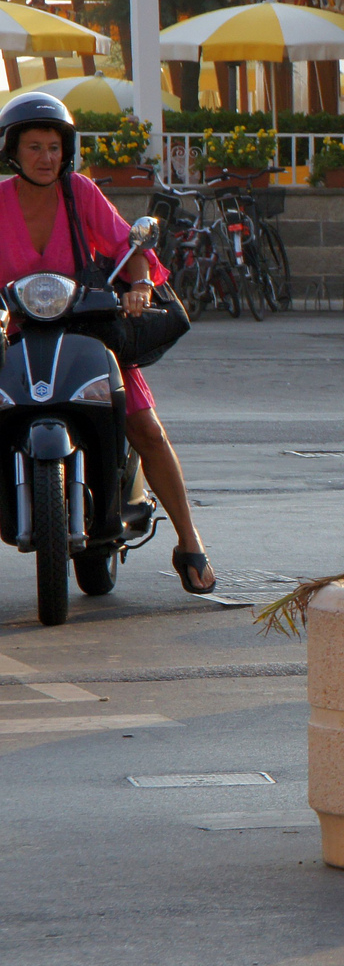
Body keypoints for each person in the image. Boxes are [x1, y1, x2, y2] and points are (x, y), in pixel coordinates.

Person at [0, 93, 214, 594]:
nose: (46, 157)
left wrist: (139, 286)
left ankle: (189, 541)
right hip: (14, 337)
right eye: (34, 147)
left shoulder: (79, 192)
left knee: (147, 427)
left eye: (54, 147)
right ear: (13, 151)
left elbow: (126, 245)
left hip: (88, 333)